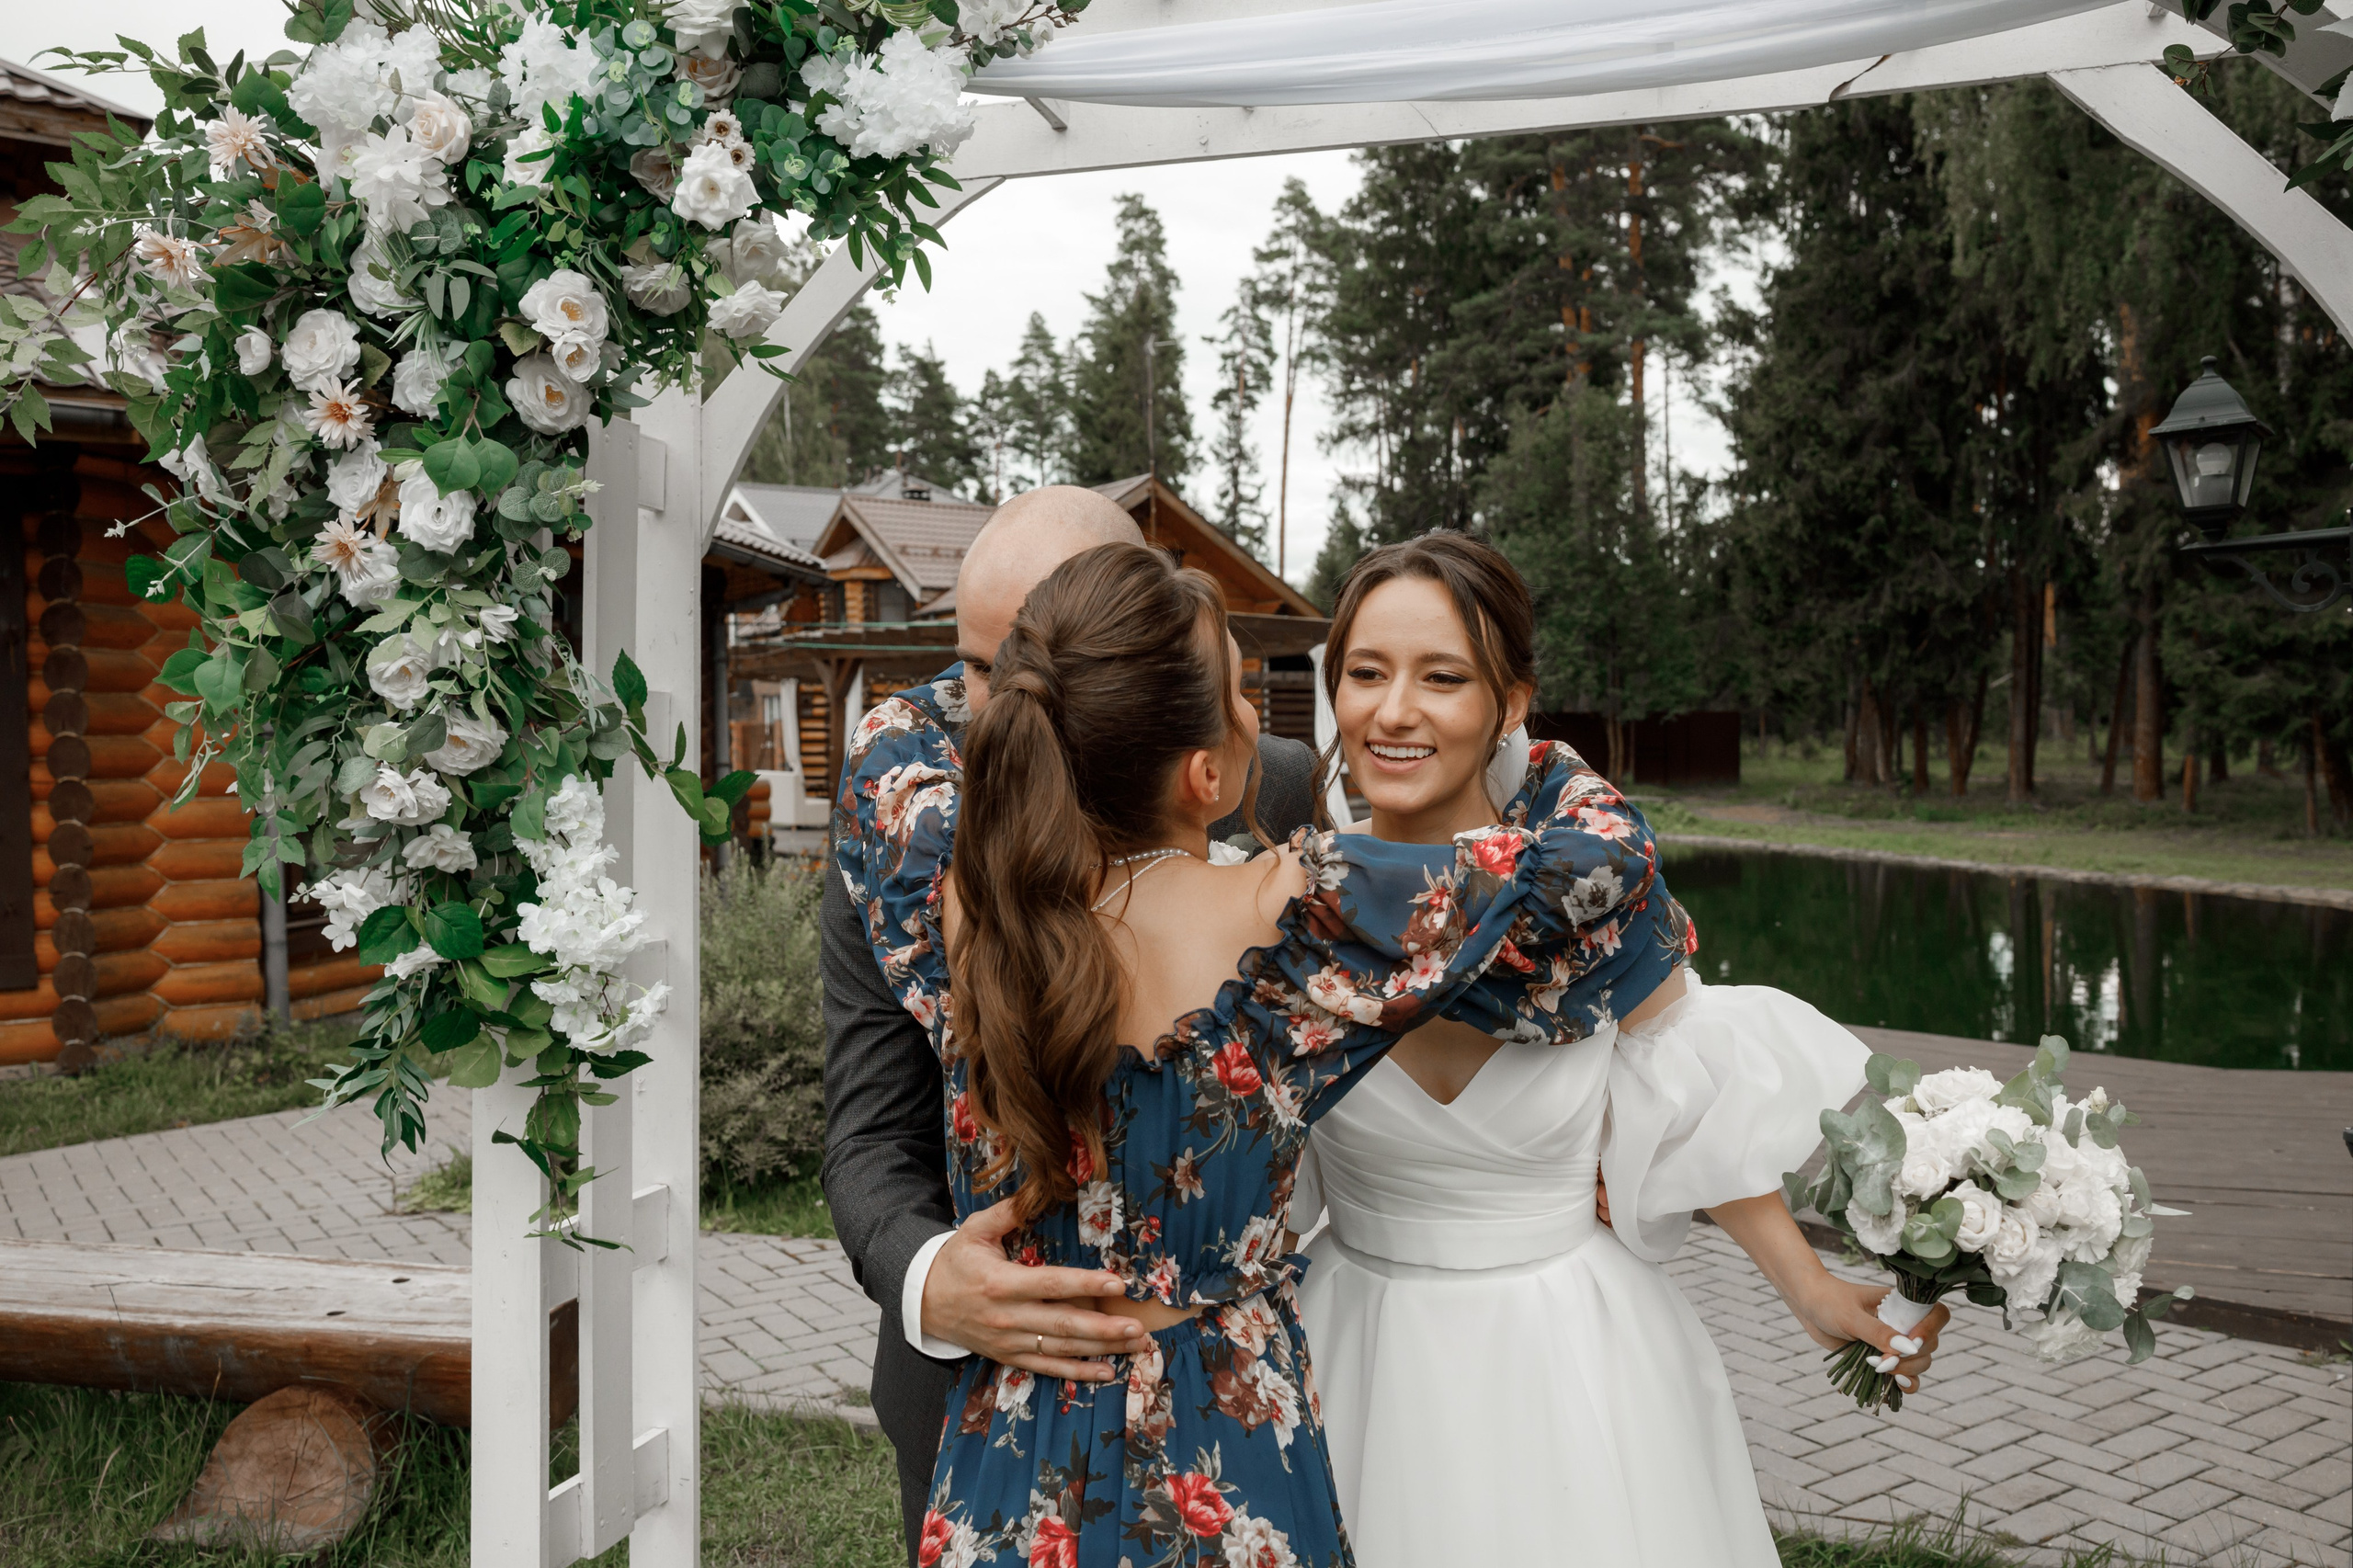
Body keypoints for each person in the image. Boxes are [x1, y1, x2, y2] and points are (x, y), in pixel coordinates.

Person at [834, 537, 1675, 1566]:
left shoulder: (960, 887)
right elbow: (1602, 865)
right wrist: (1523, 740)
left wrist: (1039, 670)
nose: (1255, 712)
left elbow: (885, 741)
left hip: (1012, 1442)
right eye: (1239, 688)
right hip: (1218, 1440)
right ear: (1207, 772)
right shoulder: (1298, 914)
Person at [1292, 531, 1949, 1567]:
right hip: (1348, 1348)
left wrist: (1810, 1287)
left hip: (1574, 1360)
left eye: (1442, 677)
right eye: (1366, 673)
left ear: (1508, 703)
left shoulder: (1600, 908)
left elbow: (1682, 1101)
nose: (1394, 710)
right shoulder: (1280, 916)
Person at [818, 486, 1318, 1562]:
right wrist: (927, 1274)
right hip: (975, 1391)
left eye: (1034, 665)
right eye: (979, 665)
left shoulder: (1267, 780)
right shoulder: (895, 789)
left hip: (1232, 1408)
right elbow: (867, 1123)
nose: (1003, 705)